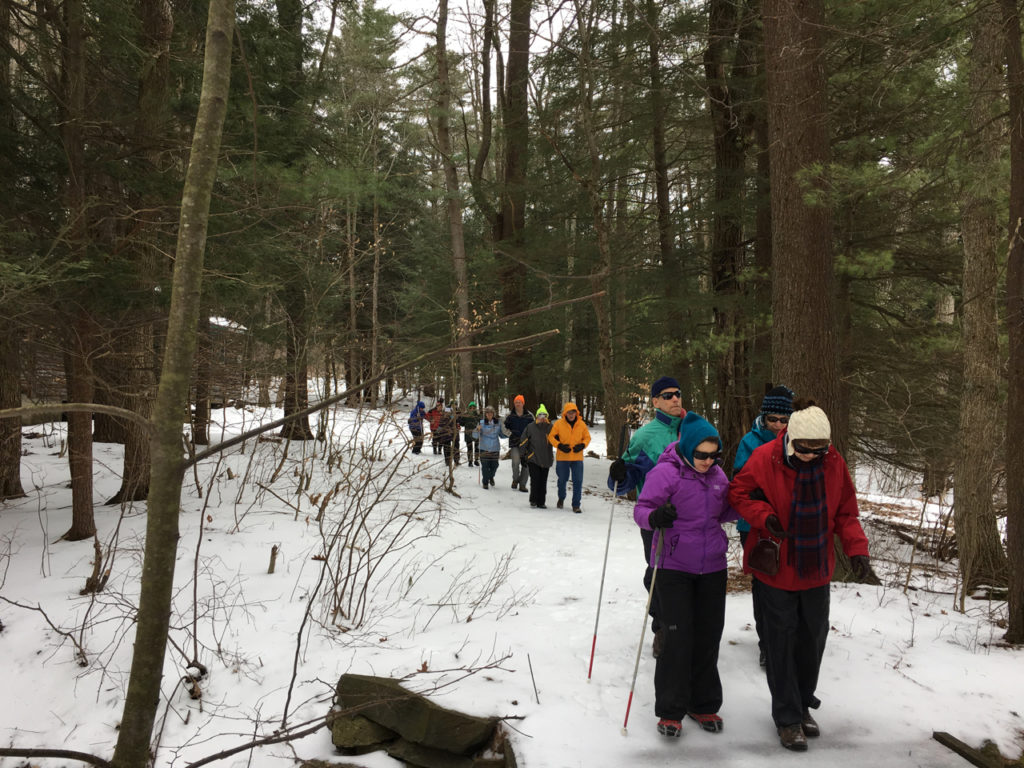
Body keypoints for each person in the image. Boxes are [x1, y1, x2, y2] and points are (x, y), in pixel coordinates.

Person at [729, 399, 877, 752]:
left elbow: (846, 511)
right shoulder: (766, 457)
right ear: (790, 438)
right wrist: (765, 517)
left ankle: (803, 702)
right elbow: (738, 492)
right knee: (780, 642)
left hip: (815, 567)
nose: (811, 456)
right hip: (777, 566)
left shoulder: (833, 462)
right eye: (805, 449)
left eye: (818, 450)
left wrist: (857, 552)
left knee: (812, 641)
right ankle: (787, 718)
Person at [634, 411, 737, 739]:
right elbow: (641, 510)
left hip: (713, 565)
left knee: (709, 635)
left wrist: (746, 500)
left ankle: (703, 702)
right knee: (678, 636)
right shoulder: (667, 473)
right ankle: (670, 709)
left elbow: (725, 510)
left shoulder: (719, 476)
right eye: (701, 455)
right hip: (673, 565)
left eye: (713, 455)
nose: (708, 461)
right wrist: (657, 517)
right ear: (688, 447)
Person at [608, 375, 687, 656]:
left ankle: (686, 628)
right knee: (658, 576)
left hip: (691, 520)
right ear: (655, 402)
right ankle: (662, 629)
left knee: (687, 577)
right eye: (667, 395)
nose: (675, 398)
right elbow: (623, 481)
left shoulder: (693, 429)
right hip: (655, 521)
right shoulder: (644, 436)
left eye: (677, 393)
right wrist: (619, 472)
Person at [733, 384, 795, 668]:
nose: (779, 425)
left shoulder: (798, 440)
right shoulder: (751, 440)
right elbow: (740, 480)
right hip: (754, 524)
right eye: (774, 419)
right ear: (764, 417)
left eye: (784, 420)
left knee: (787, 580)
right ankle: (767, 643)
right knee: (763, 580)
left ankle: (787, 637)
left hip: (788, 524)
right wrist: (763, 495)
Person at [548, 401, 590, 513]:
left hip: (577, 458)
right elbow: (551, 437)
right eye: (569, 412)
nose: (571, 415)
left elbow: (587, 438)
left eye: (573, 412)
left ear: (576, 413)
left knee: (578, 481)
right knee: (562, 480)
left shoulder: (581, 424)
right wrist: (559, 445)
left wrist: (582, 445)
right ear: (565, 413)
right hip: (563, 457)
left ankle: (576, 505)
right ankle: (561, 498)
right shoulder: (558, 424)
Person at [520, 404, 554, 508]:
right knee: (535, 480)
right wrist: (523, 456)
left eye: (544, 415)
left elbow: (557, 439)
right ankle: (533, 500)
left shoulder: (550, 427)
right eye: (540, 415)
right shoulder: (530, 427)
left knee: (543, 481)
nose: (542, 418)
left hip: (546, 458)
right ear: (536, 416)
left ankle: (541, 502)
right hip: (533, 458)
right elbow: (523, 441)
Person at [503, 395, 534, 494]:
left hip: (527, 444)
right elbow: (504, 427)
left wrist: (530, 438)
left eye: (519, 402)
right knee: (515, 463)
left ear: (523, 403)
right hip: (514, 443)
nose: (518, 404)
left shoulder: (529, 415)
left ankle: (523, 484)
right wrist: (510, 434)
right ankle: (515, 479)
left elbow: (534, 428)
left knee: (526, 465)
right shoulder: (510, 415)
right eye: (516, 402)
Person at [474, 405, 506, 488]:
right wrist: (477, 430)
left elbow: (502, 435)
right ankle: (485, 482)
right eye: (487, 413)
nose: (489, 414)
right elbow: (475, 436)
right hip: (484, 448)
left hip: (495, 448)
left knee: (495, 465)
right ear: (485, 414)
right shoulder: (481, 423)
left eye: (491, 413)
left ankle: (490, 477)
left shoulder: (498, 423)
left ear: (493, 414)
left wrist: (509, 434)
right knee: (485, 466)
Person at [459, 401, 481, 466]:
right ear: (469, 408)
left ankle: (476, 460)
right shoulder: (466, 415)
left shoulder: (478, 415)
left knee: (477, 448)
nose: (472, 409)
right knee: (470, 448)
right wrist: (460, 418)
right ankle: (470, 461)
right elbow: (462, 423)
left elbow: (481, 423)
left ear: (475, 408)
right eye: (470, 407)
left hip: (476, 433)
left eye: (473, 407)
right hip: (468, 433)